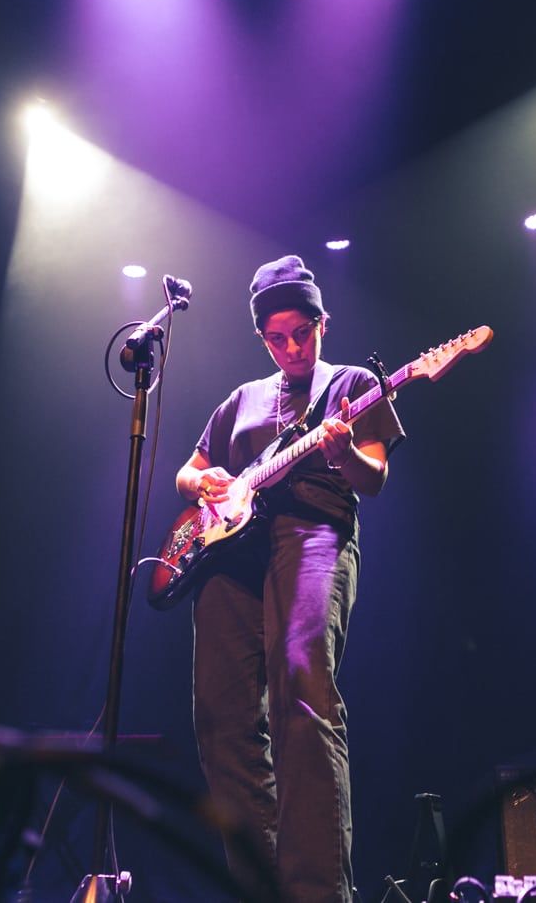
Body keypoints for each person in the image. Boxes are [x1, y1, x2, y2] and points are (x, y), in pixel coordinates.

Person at [175, 255, 405, 902]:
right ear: (261, 338)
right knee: (220, 715)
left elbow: (375, 478)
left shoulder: (354, 383)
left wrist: (344, 451)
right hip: (230, 551)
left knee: (302, 684)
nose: (292, 347)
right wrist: (206, 480)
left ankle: (318, 891)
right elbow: (188, 473)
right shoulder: (240, 400)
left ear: (322, 322)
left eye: (301, 332)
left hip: (312, 532)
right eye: (276, 338)